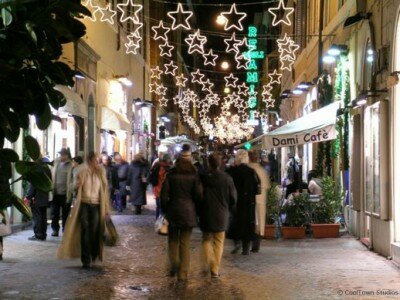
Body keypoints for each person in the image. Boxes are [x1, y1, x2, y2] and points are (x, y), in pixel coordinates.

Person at [57, 152, 110, 269]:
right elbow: (71, 186)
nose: (97, 163)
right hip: (84, 204)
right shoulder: (81, 171)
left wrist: (106, 207)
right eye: (95, 160)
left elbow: (104, 191)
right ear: (89, 160)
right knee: (85, 231)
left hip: (97, 205)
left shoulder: (100, 173)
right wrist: (77, 184)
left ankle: (94, 254)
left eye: (98, 160)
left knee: (95, 231)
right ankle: (86, 259)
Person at [160, 149, 203, 282]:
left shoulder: (171, 174)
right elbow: (199, 195)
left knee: (173, 241)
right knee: (185, 242)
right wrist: (196, 209)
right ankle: (183, 273)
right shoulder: (194, 175)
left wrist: (165, 210)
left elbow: (164, 195)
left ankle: (174, 265)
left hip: (173, 210)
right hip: (188, 212)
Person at [199, 153, 237, 278]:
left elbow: (198, 195)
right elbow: (233, 198)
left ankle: (209, 260)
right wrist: (228, 208)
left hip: (206, 212)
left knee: (206, 239)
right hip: (222, 213)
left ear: (209, 163)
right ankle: (215, 269)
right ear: (220, 163)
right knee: (219, 241)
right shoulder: (227, 178)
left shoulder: (203, 178)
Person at [227, 149, 259, 255]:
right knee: (247, 225)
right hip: (249, 203)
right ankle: (246, 248)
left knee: (236, 223)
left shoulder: (234, 172)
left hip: (237, 202)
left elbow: (230, 188)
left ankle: (237, 243)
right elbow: (256, 189)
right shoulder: (251, 172)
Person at [248, 151, 270, 252]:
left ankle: (246, 245)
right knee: (259, 223)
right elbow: (266, 186)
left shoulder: (246, 169)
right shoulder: (262, 170)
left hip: (249, 200)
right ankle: (256, 245)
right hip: (260, 201)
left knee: (249, 222)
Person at [26, 158, 52, 241]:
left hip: (36, 197)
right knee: (43, 216)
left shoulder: (36, 170)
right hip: (45, 195)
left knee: (37, 216)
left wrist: (29, 196)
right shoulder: (47, 169)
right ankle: (43, 234)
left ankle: (38, 234)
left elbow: (33, 185)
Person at [51, 148, 73, 237]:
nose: (62, 156)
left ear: (67, 155)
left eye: (63, 155)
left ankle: (65, 230)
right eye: (61, 154)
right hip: (55, 193)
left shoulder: (71, 165)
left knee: (65, 214)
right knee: (54, 213)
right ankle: (55, 230)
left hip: (65, 194)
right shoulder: (56, 162)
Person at [152, 153, 172, 219]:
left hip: (157, 189)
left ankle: (158, 221)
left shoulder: (156, 166)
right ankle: (162, 223)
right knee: (164, 208)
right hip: (165, 191)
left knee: (158, 207)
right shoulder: (168, 168)